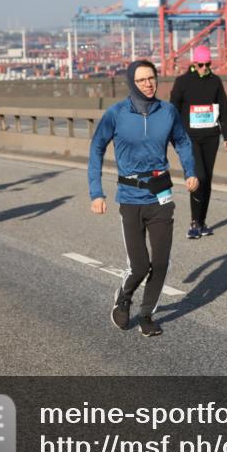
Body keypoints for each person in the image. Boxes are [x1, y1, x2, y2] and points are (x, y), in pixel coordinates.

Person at [89, 59, 199, 337]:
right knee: (139, 265)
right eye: (142, 80)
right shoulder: (116, 114)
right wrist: (96, 192)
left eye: (152, 78)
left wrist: (190, 171)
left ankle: (147, 314)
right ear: (131, 83)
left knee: (160, 262)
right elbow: (97, 148)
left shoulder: (168, 111)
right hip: (129, 197)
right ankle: (124, 296)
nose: (148, 84)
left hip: (160, 194)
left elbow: (183, 141)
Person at [169, 45, 227, 239]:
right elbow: (173, 108)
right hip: (190, 138)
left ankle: (202, 222)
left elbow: (224, 108)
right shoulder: (182, 82)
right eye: (201, 65)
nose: (204, 68)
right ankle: (194, 222)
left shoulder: (215, 81)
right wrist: (174, 132)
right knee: (199, 178)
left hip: (211, 137)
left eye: (207, 65)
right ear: (193, 63)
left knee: (208, 181)